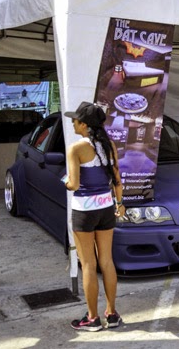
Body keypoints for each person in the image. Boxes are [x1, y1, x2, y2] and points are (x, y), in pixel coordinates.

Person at [63, 102, 123, 331]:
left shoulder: (76, 148)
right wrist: (120, 204)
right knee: (107, 261)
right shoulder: (109, 145)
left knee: (88, 264)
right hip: (106, 208)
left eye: (75, 120)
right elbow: (117, 180)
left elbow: (74, 184)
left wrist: (65, 181)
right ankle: (112, 313)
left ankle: (92, 318)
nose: (73, 123)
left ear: (84, 125)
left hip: (84, 211)